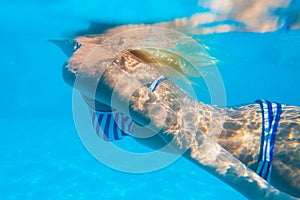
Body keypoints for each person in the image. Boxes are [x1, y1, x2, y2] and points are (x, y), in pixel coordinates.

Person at [55, 24, 299, 199]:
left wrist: (263, 194)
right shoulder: (107, 54)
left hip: (266, 143)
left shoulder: (80, 67)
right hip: (264, 128)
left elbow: (175, 127)